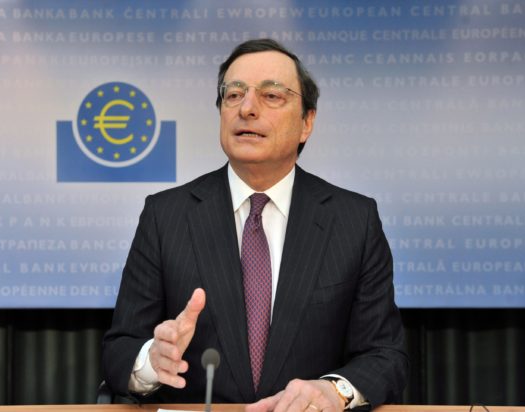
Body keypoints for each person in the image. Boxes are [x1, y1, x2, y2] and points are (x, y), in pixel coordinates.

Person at [102, 38, 408, 411]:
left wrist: (335, 392)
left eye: (271, 95)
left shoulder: (353, 220)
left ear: (307, 122)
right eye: (233, 95)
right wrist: (152, 361)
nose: (246, 108)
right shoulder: (165, 215)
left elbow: (385, 355)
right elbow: (119, 350)